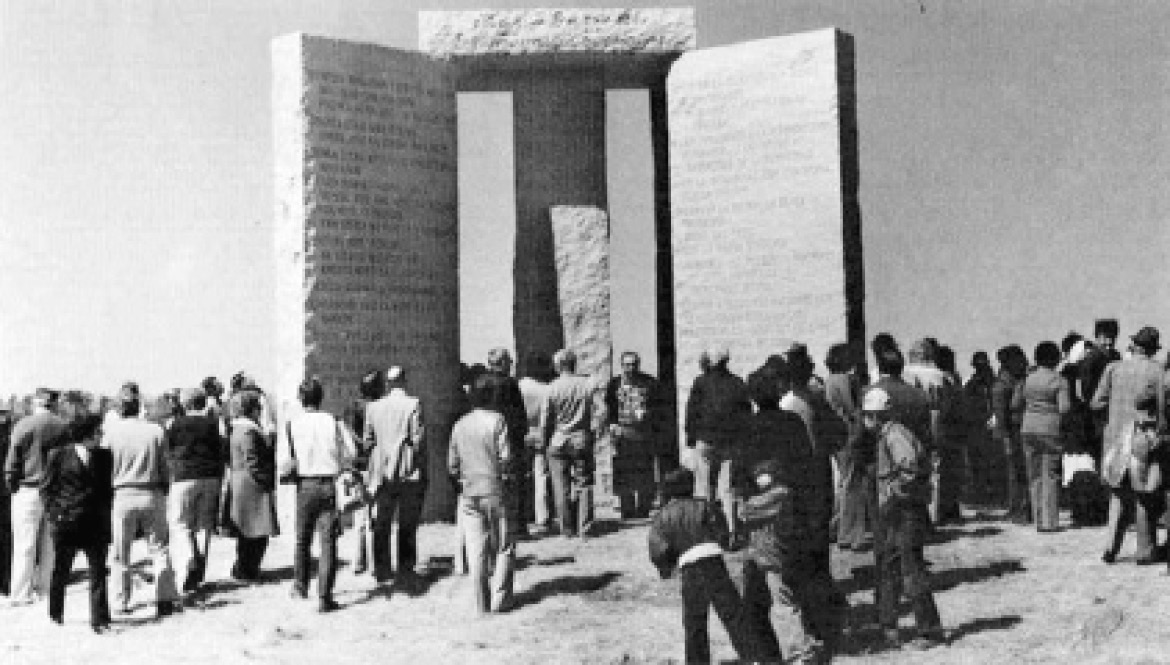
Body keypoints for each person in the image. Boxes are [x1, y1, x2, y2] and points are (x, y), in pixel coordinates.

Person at [742, 362, 845, 662]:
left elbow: (739, 475)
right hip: (794, 509)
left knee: (768, 582)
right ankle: (808, 637)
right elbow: (806, 464)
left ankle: (778, 648)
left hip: (762, 514)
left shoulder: (748, 428)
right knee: (791, 578)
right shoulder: (791, 423)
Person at [648, 467, 765, 664]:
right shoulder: (706, 506)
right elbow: (722, 534)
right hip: (713, 562)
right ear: (691, 485)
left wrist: (666, 567)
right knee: (733, 613)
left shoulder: (663, 517)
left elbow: (659, 550)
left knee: (695, 621)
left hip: (689, 566)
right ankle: (753, 658)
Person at [862, 388, 945, 650]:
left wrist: (893, 494)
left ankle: (929, 631)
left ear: (876, 415)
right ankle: (890, 628)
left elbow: (908, 468)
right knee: (890, 567)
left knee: (911, 570)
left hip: (904, 510)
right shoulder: (890, 434)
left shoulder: (895, 435)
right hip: (896, 510)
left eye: (868, 415)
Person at [1092, 326, 1167, 565]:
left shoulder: (1113, 369)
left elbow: (1095, 403)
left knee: (1118, 494)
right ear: (1153, 349)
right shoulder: (1158, 372)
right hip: (1142, 436)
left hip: (1115, 439)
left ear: (1134, 345)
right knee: (1144, 494)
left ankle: (1110, 548)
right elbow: (1164, 408)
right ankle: (1145, 550)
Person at [103, 389, 180, 616]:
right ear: (139, 406)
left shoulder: (110, 433)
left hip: (122, 494)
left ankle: (120, 601)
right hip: (151, 492)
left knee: (120, 552)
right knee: (159, 548)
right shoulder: (156, 430)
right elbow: (165, 465)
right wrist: (165, 486)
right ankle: (165, 598)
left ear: (120, 408)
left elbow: (105, 467)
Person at [283, 377, 357, 612]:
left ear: (301, 399)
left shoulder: (292, 425)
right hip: (328, 484)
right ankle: (325, 596)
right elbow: (352, 452)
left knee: (302, 539)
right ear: (321, 397)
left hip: (305, 484)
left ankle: (300, 585)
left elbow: (286, 462)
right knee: (328, 541)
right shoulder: (333, 421)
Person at [41, 413, 113, 632]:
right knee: (61, 570)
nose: (102, 435)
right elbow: (46, 489)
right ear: (86, 435)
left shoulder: (105, 456)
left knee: (98, 571)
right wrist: (55, 515)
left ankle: (99, 619)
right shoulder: (58, 455)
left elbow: (106, 489)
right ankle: (56, 614)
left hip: (95, 523)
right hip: (67, 523)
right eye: (98, 431)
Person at [448, 378, 515, 614]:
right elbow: (505, 457)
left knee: (476, 549)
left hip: (469, 490)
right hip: (494, 487)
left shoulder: (460, 424)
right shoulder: (497, 420)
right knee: (503, 545)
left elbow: (452, 464)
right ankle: (502, 598)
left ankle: (481, 604)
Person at [364, 366, 427, 585]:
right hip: (407, 470)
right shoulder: (413, 404)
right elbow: (418, 440)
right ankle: (405, 568)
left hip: (382, 470)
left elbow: (368, 441)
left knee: (382, 520)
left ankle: (382, 569)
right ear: (404, 380)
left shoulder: (373, 407)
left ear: (389, 384)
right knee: (407, 522)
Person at [5, 388, 66, 605]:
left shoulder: (23, 425)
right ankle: (45, 590)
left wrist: (12, 485)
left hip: (27, 488)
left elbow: (12, 462)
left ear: (36, 402)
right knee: (49, 544)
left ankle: (20, 593)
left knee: (24, 544)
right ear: (54, 403)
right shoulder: (62, 427)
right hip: (55, 490)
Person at [684, 345, 751, 543]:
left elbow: (692, 411)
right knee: (727, 488)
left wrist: (690, 436)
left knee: (704, 487)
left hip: (705, 439)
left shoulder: (701, 382)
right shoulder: (737, 383)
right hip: (729, 441)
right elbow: (745, 413)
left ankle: (705, 531)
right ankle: (732, 531)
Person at [163, 386, 225, 598]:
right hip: (210, 478)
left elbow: (168, 451)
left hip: (184, 478)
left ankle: (188, 562)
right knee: (203, 527)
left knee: (180, 524)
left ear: (186, 403)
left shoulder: (174, 424)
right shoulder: (213, 423)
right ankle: (197, 575)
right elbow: (221, 450)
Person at [541, 349, 598, 538]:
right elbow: (600, 410)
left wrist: (544, 440)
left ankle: (566, 529)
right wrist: (594, 431)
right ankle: (585, 527)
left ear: (558, 366)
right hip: (581, 436)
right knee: (584, 483)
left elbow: (546, 419)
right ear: (574, 364)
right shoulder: (587, 384)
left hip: (558, 438)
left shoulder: (551, 387)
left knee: (560, 485)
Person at [223, 390, 278, 582]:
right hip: (251, 485)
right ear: (251, 410)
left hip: (240, 482)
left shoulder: (235, 428)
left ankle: (243, 568)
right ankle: (248, 570)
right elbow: (252, 460)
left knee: (245, 533)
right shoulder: (248, 430)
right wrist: (267, 479)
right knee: (258, 532)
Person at [605, 351, 667, 518]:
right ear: (621, 365)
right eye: (627, 364)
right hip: (622, 433)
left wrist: (648, 414)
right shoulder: (614, 384)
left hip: (643, 434)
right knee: (623, 472)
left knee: (644, 471)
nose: (630, 368)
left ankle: (644, 507)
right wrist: (612, 425)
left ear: (638, 365)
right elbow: (609, 406)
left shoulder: (649, 383)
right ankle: (627, 507)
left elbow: (660, 407)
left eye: (633, 364)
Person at [475, 348, 528, 538]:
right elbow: (519, 415)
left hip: (483, 437)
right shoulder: (509, 384)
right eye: (509, 361)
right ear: (503, 362)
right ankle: (516, 526)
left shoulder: (480, 382)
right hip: (508, 438)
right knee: (513, 483)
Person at [823, 343, 870, 550]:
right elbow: (855, 409)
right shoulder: (849, 380)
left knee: (843, 482)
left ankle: (838, 528)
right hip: (850, 434)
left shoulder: (827, 382)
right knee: (853, 484)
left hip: (834, 436)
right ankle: (850, 534)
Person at [1020, 341, 1070, 532]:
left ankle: (1038, 519)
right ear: (1055, 359)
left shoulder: (1028, 379)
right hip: (1050, 428)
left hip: (1028, 427)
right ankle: (1050, 521)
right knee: (1051, 474)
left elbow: (1018, 401)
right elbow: (1064, 408)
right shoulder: (1059, 380)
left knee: (1034, 475)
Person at [343, 369, 383, 575]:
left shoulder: (353, 407)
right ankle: (372, 563)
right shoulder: (375, 408)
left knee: (361, 516)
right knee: (373, 516)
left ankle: (359, 561)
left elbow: (349, 434)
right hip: (370, 464)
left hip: (359, 464)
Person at [993, 345, 1030, 523]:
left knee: (1015, 472)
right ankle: (1024, 508)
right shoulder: (1025, 377)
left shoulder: (1002, 383)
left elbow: (1001, 415)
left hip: (1013, 430)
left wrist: (1003, 437)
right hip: (1026, 428)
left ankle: (1017, 508)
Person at [518, 353, 554, 535]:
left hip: (522, 434)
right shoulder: (546, 389)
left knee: (522, 476)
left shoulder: (520, 386)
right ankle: (543, 516)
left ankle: (524, 514)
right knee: (541, 477)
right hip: (540, 433)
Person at [1083, 319, 1122, 461]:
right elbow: (1086, 389)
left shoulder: (1116, 356)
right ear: (1097, 336)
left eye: (1112, 337)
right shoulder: (1091, 358)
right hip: (1096, 413)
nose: (1109, 342)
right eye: (1105, 337)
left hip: (1110, 411)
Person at [963, 351, 998, 508]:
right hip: (979, 426)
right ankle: (985, 493)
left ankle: (983, 493)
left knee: (981, 462)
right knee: (983, 462)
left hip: (979, 426)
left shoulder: (975, 383)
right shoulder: (984, 382)